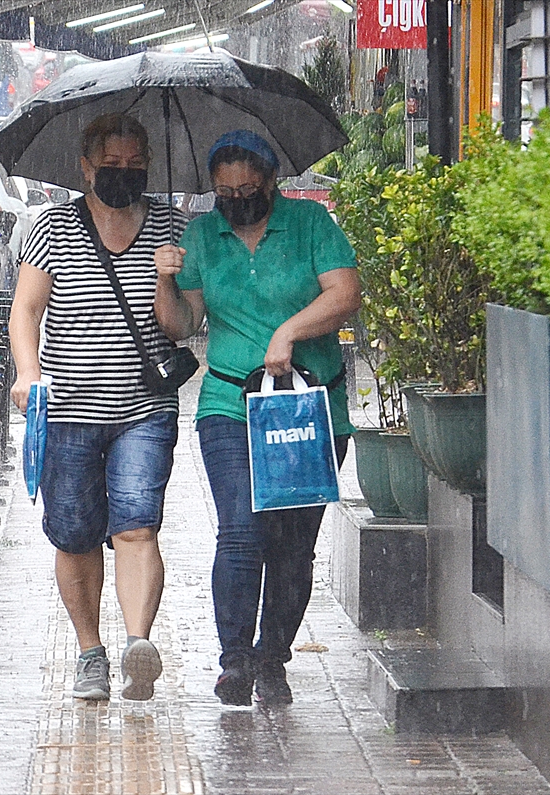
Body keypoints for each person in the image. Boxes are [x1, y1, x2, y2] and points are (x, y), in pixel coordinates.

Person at [153, 130, 360, 706]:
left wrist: (289, 331)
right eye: (225, 191)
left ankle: (274, 657)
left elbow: (345, 294)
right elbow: (182, 325)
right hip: (229, 405)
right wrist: (165, 278)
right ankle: (235, 661)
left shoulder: (311, 226)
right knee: (241, 531)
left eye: (248, 188)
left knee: (292, 544)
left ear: (271, 181)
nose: (238, 199)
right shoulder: (200, 235)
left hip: (307, 408)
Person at [9, 113, 188, 701]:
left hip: (145, 409)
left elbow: (185, 324)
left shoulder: (170, 224)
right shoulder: (53, 226)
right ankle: (90, 650)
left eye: (135, 166)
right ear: (85, 167)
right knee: (76, 536)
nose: (123, 175)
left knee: (137, 525)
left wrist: (168, 279)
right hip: (67, 409)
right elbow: (26, 310)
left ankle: (139, 645)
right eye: (111, 166)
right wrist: (29, 375)